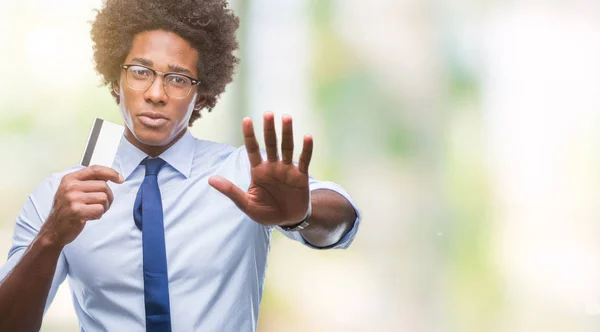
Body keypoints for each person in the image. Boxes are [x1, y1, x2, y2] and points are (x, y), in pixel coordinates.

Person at [0, 0, 361, 331]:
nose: (156, 94)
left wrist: (302, 214)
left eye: (177, 79)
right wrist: (50, 237)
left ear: (200, 94)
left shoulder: (244, 176)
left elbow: (343, 222)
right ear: (116, 81)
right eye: (141, 71)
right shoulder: (62, 196)